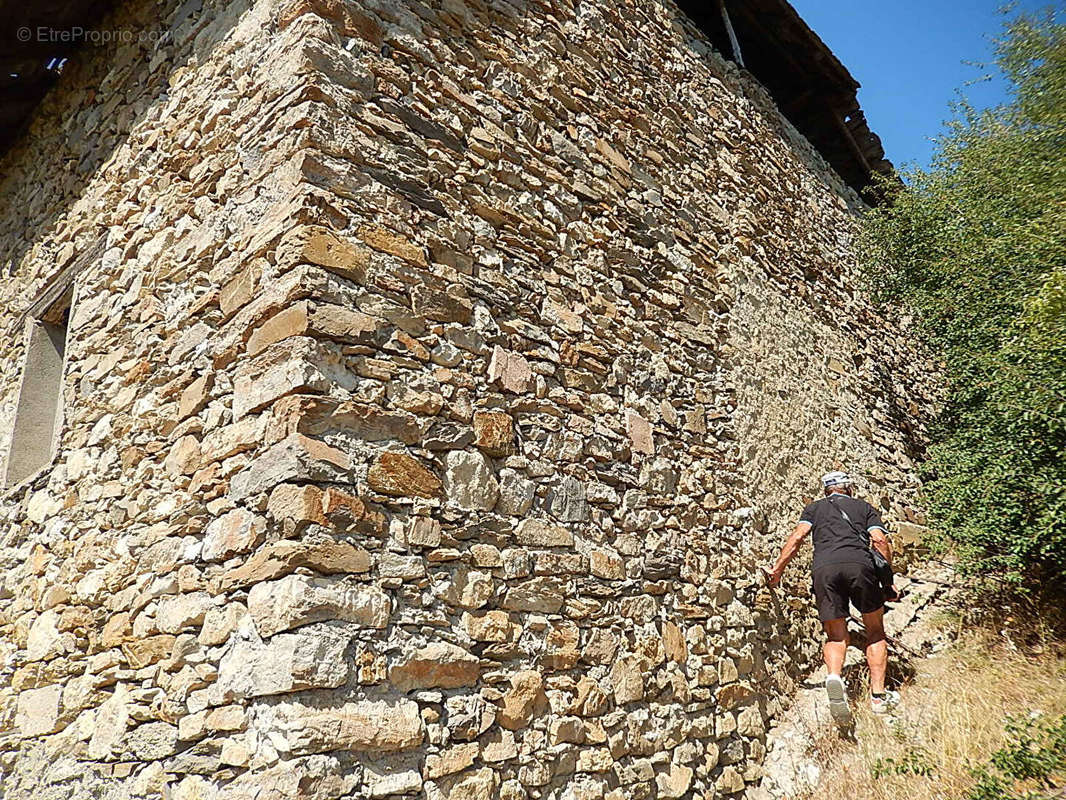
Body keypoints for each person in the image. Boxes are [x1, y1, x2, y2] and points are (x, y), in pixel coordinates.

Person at [764, 471, 901, 722]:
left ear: (826, 490)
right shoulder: (864, 507)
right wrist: (888, 581)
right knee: (875, 631)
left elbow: (797, 538)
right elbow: (879, 540)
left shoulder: (814, 509)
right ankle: (878, 698)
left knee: (836, 635)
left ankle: (834, 678)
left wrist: (777, 570)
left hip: (824, 570)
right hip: (860, 567)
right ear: (848, 487)